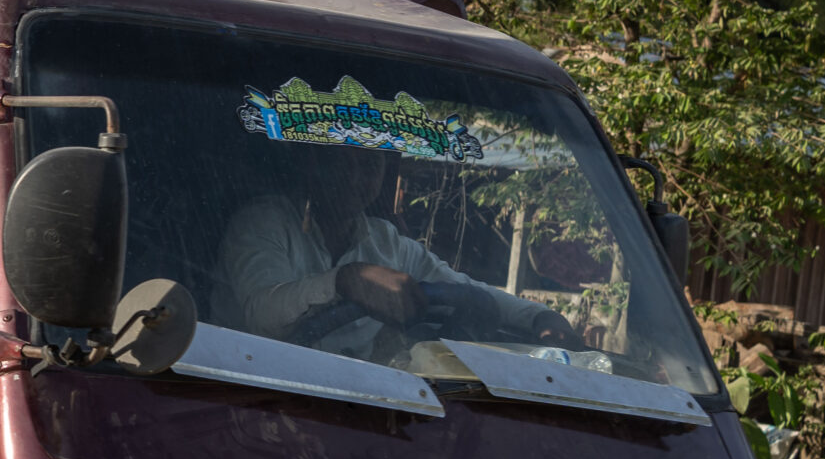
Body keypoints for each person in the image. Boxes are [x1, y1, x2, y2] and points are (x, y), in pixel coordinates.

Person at [220, 145, 579, 361]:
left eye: (369, 166)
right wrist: (346, 281)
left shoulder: (386, 242)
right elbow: (260, 313)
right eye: (342, 162)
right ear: (313, 163)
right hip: (253, 392)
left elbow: (462, 287)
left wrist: (539, 318)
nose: (355, 178)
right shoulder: (262, 223)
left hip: (359, 406)